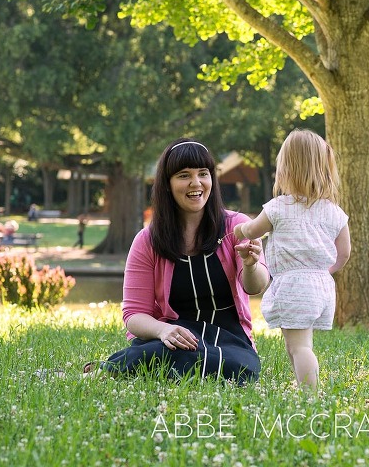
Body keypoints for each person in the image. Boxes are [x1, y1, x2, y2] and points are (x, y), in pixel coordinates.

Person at [90, 139, 270, 384]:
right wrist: (163, 330)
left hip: (229, 339)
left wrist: (250, 265)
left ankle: (126, 366)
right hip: (174, 337)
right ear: (167, 184)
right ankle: (119, 366)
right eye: (184, 175)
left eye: (203, 174)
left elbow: (255, 286)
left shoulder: (236, 225)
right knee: (164, 351)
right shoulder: (148, 240)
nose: (195, 183)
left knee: (240, 369)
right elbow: (134, 314)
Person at [234, 129, 351, 390]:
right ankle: (301, 384)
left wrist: (239, 230)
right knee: (294, 343)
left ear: (285, 169)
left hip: (295, 285)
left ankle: (311, 396)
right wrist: (324, 272)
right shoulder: (335, 212)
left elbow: (253, 231)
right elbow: (344, 253)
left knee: (300, 346)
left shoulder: (278, 207)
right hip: (321, 284)